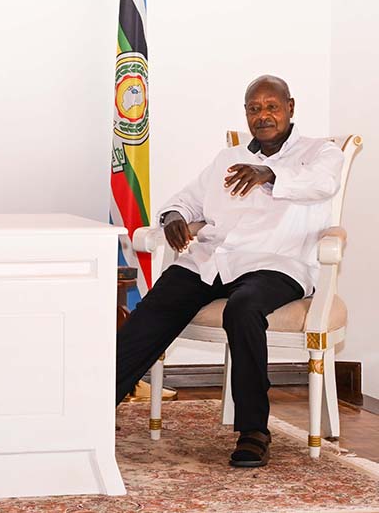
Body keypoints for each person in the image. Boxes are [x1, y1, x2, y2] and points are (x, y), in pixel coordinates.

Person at [115, 75, 343, 468]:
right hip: (213, 260)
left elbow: (323, 184)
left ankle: (254, 430)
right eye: (255, 109)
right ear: (246, 114)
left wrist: (270, 175)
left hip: (275, 263)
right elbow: (187, 200)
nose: (264, 115)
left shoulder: (319, 154)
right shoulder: (228, 159)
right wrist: (173, 217)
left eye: (272, 106)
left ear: (291, 106)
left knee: (244, 307)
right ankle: (94, 405)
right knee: (157, 306)